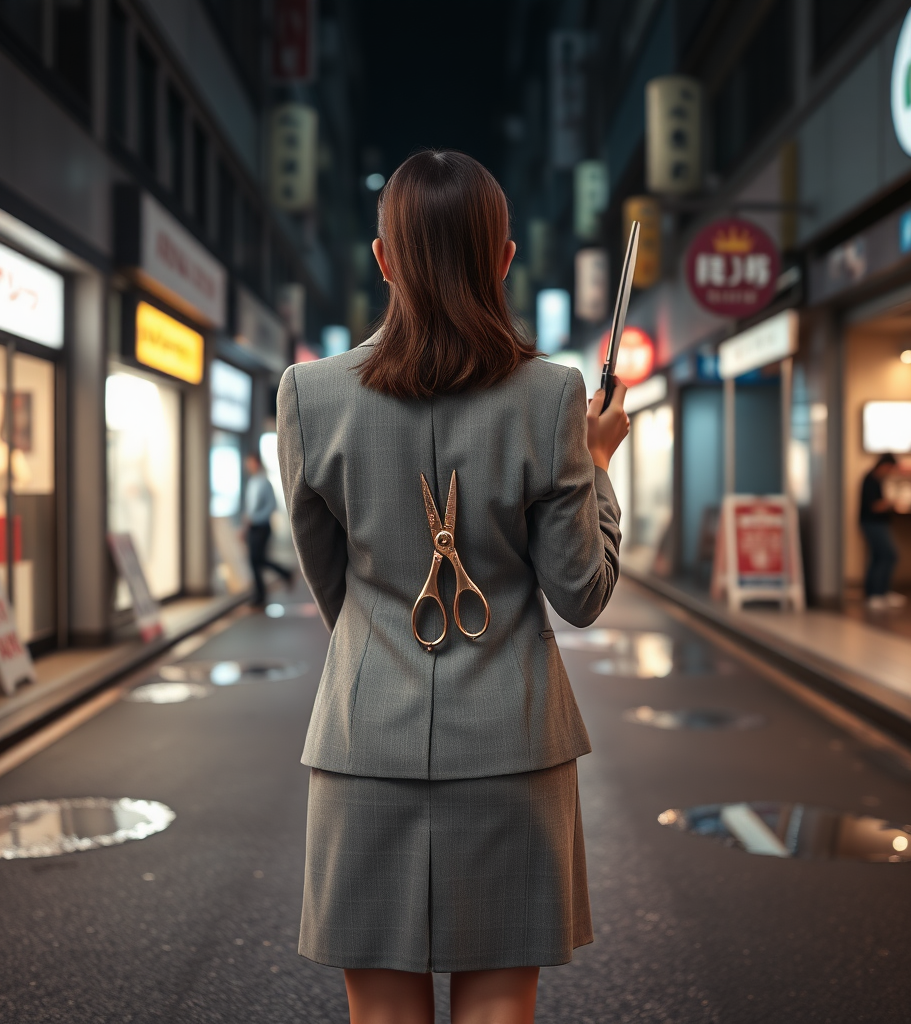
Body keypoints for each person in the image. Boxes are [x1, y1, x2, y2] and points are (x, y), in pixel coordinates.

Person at [277, 150, 629, 1024]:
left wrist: (382, 644)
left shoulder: (310, 396)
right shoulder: (552, 398)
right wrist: (597, 462)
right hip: (514, 747)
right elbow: (582, 593)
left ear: (383, 258)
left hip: (364, 750)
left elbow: (337, 592)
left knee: (384, 1014)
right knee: (500, 1007)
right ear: (503, 259)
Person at [242, 451, 292, 605]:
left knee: (256, 559)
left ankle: (261, 594)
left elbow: (271, 506)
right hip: (252, 527)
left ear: (256, 462)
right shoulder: (252, 482)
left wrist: (254, 519)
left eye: (249, 462)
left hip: (261, 527)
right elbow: (250, 508)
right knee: (255, 560)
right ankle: (280, 577)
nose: (247, 466)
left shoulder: (264, 482)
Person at [859, 452, 905, 611]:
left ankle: (879, 593)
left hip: (877, 523)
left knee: (879, 556)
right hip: (872, 523)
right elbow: (874, 506)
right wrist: (892, 503)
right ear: (885, 465)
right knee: (888, 555)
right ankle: (876, 594)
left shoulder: (878, 480)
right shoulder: (870, 479)